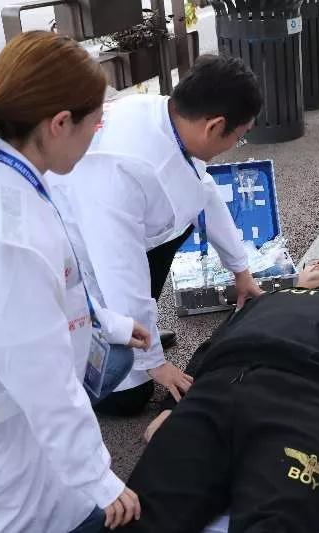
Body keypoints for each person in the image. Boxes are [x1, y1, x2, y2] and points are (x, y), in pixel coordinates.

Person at [0, 31, 146, 532]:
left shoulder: (1, 168)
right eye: (95, 122)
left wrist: (111, 324)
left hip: (9, 403)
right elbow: (45, 385)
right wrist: (100, 480)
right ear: (60, 123)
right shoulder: (5, 238)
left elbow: (59, 288)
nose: (98, 133)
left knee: (117, 359)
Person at [118, 259, 319, 533]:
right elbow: (209, 349)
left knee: (280, 518)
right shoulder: (260, 301)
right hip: (216, 391)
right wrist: (173, 405)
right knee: (140, 511)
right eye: (312, 262)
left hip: (307, 400)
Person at [51, 55, 265, 416]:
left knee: (179, 227)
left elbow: (204, 192)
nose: (235, 144)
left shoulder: (172, 118)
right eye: (239, 137)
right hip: (73, 257)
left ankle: (136, 331)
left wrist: (241, 271)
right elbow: (119, 268)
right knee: (130, 397)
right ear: (215, 126)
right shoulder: (121, 169)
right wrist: (154, 362)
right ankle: (70, 369)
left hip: (116, 242)